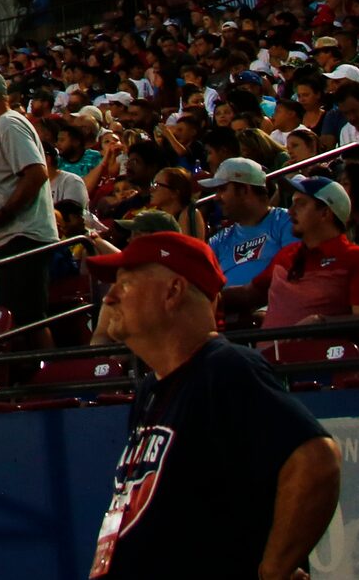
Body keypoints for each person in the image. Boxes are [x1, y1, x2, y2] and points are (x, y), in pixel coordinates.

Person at [87, 230, 340, 580]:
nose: (109, 297)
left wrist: (274, 569)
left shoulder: (224, 368)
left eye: (125, 284)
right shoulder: (153, 388)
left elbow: (316, 459)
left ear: (173, 292)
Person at [231, 178, 359, 330]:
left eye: (301, 204)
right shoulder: (287, 254)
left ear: (325, 213)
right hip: (266, 353)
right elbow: (251, 293)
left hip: (321, 352)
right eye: (292, 203)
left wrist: (322, 323)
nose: (290, 211)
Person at [0, 70, 55, 323]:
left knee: (29, 322)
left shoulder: (9, 123)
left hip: (22, 236)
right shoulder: (1, 127)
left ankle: (45, 363)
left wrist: (3, 213)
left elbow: (36, 173)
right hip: (12, 238)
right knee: (16, 321)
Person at [202, 159, 294, 290]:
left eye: (222, 189)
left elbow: (291, 273)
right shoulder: (219, 240)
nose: (216, 198)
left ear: (244, 190)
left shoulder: (286, 221)